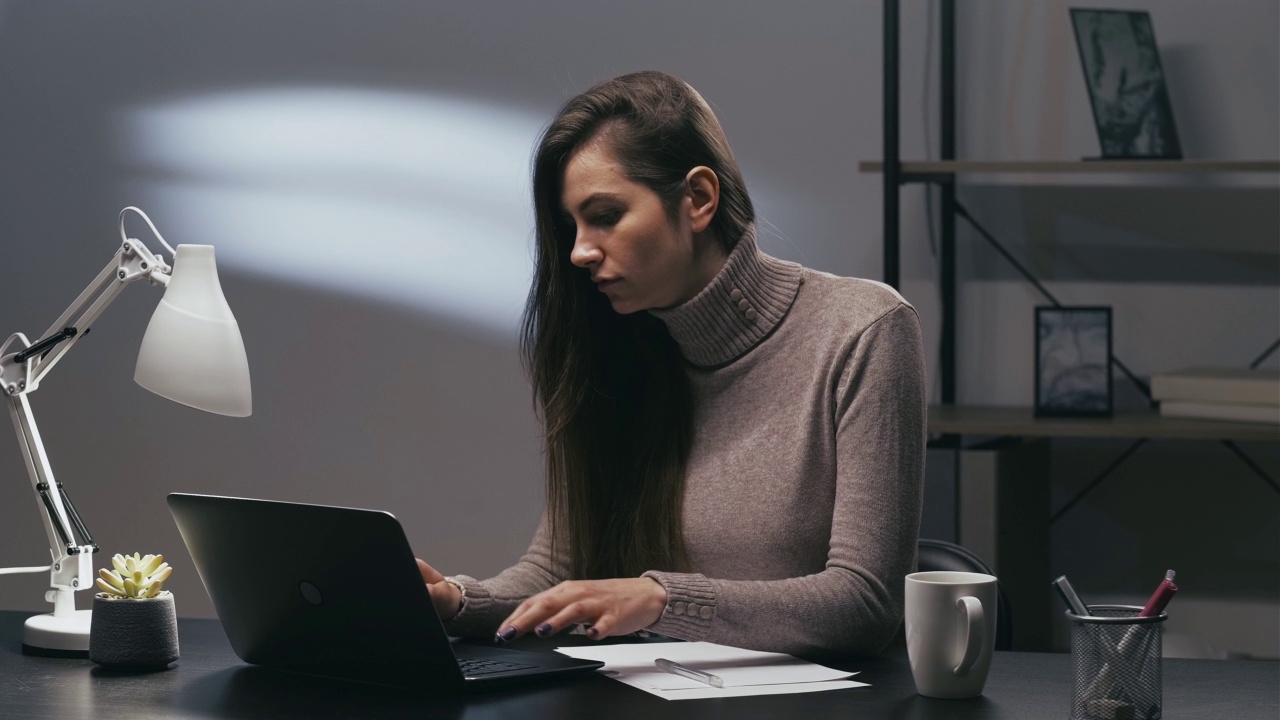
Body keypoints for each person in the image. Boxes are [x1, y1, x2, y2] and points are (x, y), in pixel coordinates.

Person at [415, 71, 925, 657]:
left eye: (604, 215)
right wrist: (458, 601)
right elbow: (558, 570)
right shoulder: (618, 351)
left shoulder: (863, 329)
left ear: (699, 199)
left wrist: (663, 600)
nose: (579, 251)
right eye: (571, 227)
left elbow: (865, 603)